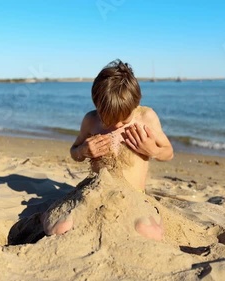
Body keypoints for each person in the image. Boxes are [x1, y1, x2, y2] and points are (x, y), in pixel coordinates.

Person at [42, 59, 173, 240]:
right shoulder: (91, 120)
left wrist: (153, 150)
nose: (117, 124)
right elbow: (74, 152)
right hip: (94, 191)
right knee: (59, 228)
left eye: (124, 120)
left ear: (136, 103)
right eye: (109, 119)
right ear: (97, 105)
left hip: (133, 196)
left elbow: (169, 152)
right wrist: (83, 151)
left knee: (150, 233)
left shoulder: (146, 117)